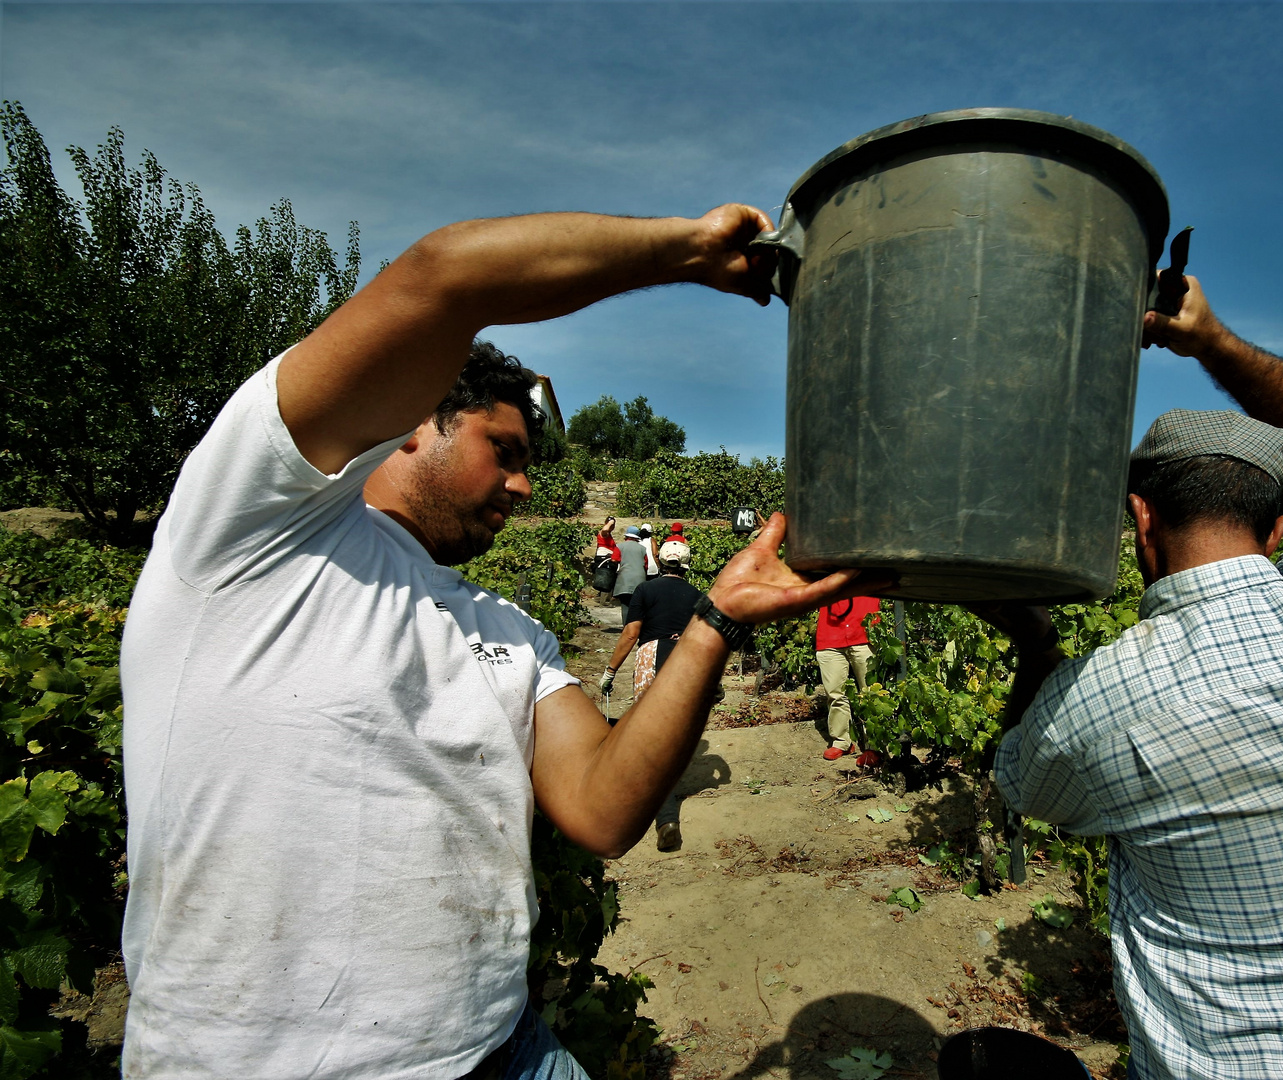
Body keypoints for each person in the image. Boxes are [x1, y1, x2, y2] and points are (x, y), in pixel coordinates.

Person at [119, 204, 878, 1078]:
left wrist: (719, 619)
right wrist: (685, 250)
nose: (522, 484)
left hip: (501, 1049)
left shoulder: (506, 631)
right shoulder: (256, 531)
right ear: (413, 420)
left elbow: (601, 809)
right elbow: (445, 278)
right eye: (502, 449)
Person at [985, 275, 1283, 1078]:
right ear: (1280, 527)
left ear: (1141, 518)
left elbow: (1021, 782)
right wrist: (1212, 339)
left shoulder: (1101, 699)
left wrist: (1037, 645)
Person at [599, 538, 703, 850]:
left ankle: (665, 813)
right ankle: (667, 807)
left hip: (654, 656)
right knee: (674, 732)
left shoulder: (646, 590)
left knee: (650, 735)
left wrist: (610, 670)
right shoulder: (698, 595)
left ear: (660, 560)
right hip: (687, 661)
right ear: (686, 564)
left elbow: (632, 632)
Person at [815, 596, 881, 760]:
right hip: (830, 634)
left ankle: (874, 745)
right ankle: (841, 742)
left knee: (871, 693)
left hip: (863, 632)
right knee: (835, 693)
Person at [612, 523, 650, 626]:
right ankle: (637, 627)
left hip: (625, 580)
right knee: (638, 606)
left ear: (626, 536)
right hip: (640, 579)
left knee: (625, 605)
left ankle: (626, 627)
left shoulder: (620, 546)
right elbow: (646, 565)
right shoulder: (642, 549)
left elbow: (614, 559)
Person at [591, 516, 620, 595]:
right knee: (606, 578)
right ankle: (604, 600)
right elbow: (604, 530)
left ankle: (603, 598)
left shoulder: (609, 535)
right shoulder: (604, 534)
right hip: (605, 559)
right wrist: (610, 522)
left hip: (608, 558)